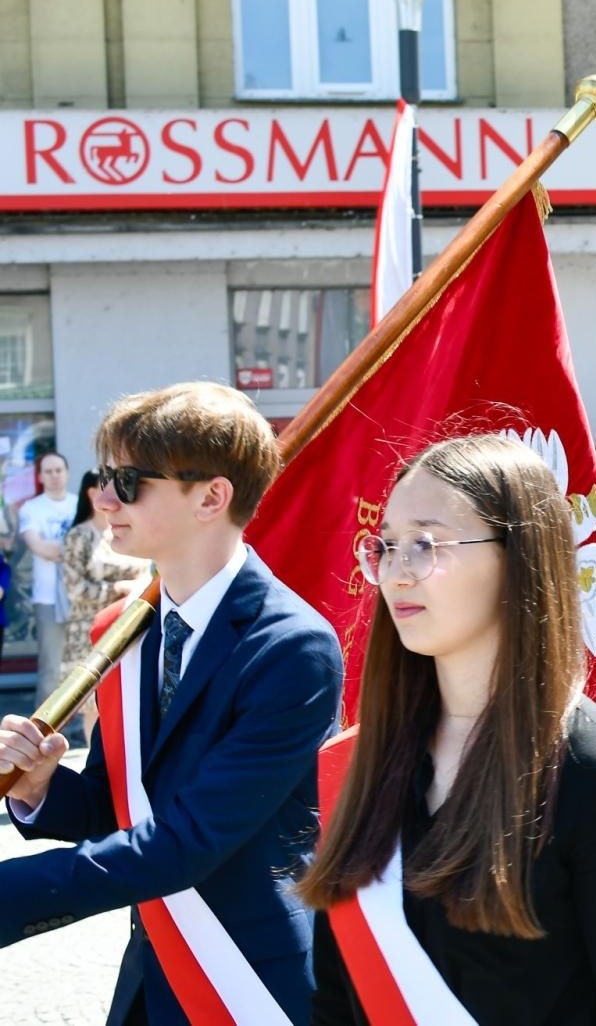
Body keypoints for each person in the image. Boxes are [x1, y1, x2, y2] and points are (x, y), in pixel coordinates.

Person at [302, 435, 596, 1024]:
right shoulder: (369, 763)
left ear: (519, 558)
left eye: (425, 544)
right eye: (386, 546)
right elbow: (338, 1000)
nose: (395, 573)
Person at [0, 381, 343, 1024]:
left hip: (246, 978)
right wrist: (40, 786)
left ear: (211, 497)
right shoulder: (131, 631)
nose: (105, 498)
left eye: (129, 481)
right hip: (153, 972)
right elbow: (115, 805)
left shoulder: (292, 647)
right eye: (105, 477)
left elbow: (191, 837)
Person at [58, 470, 150, 742]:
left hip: (131, 624)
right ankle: (95, 758)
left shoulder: (127, 532)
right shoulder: (79, 535)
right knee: (95, 703)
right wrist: (118, 588)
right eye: (106, 485)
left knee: (129, 697)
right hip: (89, 629)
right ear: (91, 493)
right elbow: (75, 589)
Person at [18, 450, 76, 710]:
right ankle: (44, 725)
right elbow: (39, 547)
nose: (54, 476)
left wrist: (57, 550)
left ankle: (79, 725)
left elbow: (97, 545)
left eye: (58, 470)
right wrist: (74, 550)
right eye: (48, 471)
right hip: (48, 599)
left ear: (67, 473)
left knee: (81, 665)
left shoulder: (80, 504)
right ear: (40, 477)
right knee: (51, 667)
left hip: (82, 597)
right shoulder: (32, 508)